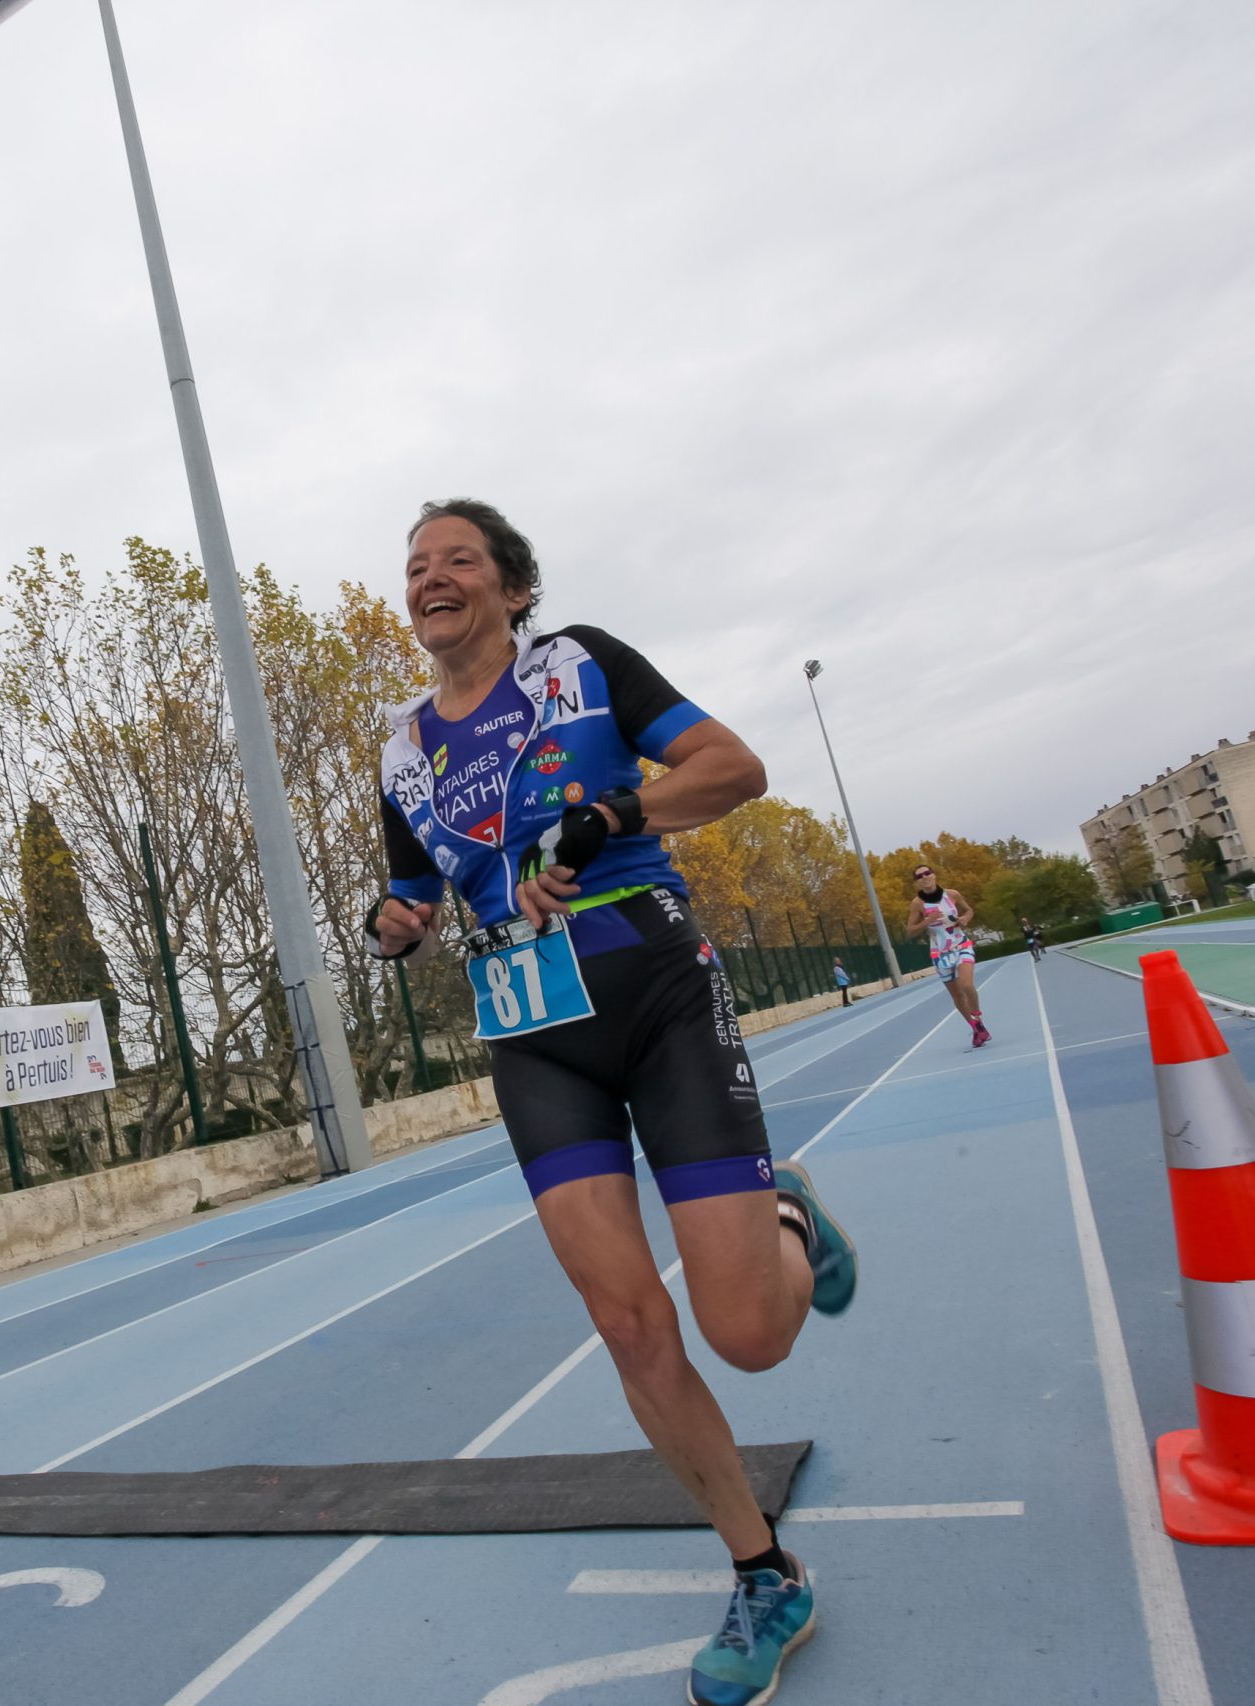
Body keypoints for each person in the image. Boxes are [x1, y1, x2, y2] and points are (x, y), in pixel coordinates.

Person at [365, 499, 857, 1706]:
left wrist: (615, 812)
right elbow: (409, 890)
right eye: (416, 565)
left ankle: (787, 1215)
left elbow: (732, 769)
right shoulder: (401, 751)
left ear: (514, 586)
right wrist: (396, 920)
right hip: (530, 1029)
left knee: (749, 1334)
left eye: (458, 558)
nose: (432, 577)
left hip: (653, 988)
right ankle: (764, 1572)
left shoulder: (580, 665)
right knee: (630, 1324)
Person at [907, 863, 987, 1045]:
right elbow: (910, 931)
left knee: (967, 985)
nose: (925, 877)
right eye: (919, 876)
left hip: (961, 945)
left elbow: (969, 910)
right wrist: (926, 921)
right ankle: (975, 1028)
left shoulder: (952, 894)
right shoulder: (918, 903)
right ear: (917, 882)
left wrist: (964, 918)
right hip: (940, 953)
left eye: (927, 873)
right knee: (957, 996)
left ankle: (977, 1018)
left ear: (934, 875)